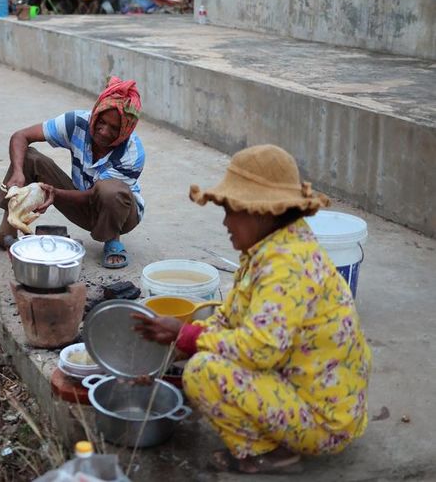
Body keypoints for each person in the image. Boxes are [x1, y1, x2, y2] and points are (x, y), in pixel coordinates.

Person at [132, 144, 372, 474]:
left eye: (231, 210)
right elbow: (229, 321)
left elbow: (259, 349)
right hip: (308, 390)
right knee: (197, 359)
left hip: (324, 419)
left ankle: (267, 454)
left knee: (202, 372)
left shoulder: (285, 266)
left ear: (261, 211)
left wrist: (187, 337)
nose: (226, 222)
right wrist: (173, 352)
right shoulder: (269, 249)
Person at [0, 76, 145, 269]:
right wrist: (18, 172)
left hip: (121, 213)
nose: (103, 131)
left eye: (114, 128)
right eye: (101, 122)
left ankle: (112, 240)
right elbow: (21, 136)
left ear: (126, 131)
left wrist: (54, 193)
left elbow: (94, 195)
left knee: (108, 190)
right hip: (81, 202)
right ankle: (6, 232)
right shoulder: (77, 123)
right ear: (95, 113)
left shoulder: (132, 153)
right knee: (28, 157)